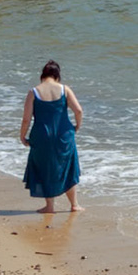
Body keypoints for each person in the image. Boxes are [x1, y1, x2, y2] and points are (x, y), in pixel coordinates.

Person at [20, 59, 84, 213]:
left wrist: (22, 136)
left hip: (41, 136)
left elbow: (26, 119)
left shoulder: (33, 92)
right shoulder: (65, 89)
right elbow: (79, 111)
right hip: (64, 134)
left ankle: (49, 206)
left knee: (45, 168)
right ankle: (74, 205)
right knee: (67, 167)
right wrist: (77, 127)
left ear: (43, 75)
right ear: (57, 76)